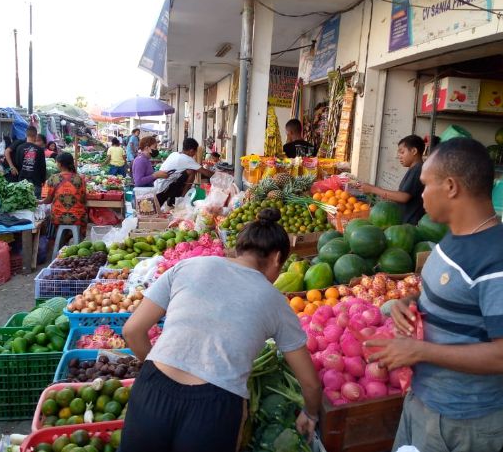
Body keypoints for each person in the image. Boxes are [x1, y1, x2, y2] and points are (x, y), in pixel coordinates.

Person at [365, 138, 503, 452]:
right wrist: (409, 302)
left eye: (426, 185)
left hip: (462, 422)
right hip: (423, 402)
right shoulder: (451, 240)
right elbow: (444, 297)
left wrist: (420, 352)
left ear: (451, 187)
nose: (421, 194)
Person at [120, 208, 321, 452]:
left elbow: (132, 331)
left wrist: (159, 368)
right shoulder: (275, 301)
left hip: (151, 389)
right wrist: (310, 414)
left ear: (239, 247)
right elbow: (309, 383)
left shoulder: (188, 266)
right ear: (278, 258)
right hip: (213, 406)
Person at [359, 135, 426, 224]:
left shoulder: (418, 169)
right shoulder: (414, 169)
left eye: (402, 152)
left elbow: (403, 197)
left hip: (410, 224)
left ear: (414, 151)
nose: (399, 156)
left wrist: (372, 189)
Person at [155, 137, 214, 207]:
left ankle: (176, 198)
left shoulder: (174, 154)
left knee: (190, 171)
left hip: (158, 185)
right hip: (163, 189)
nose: (195, 154)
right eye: (195, 152)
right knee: (192, 171)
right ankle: (182, 199)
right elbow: (206, 173)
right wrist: (221, 175)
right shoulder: (187, 159)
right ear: (191, 150)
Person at [40, 152, 88, 235]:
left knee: (51, 222)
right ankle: (75, 240)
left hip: (58, 217)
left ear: (60, 164)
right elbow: (84, 199)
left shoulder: (53, 178)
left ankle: (54, 241)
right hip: (78, 217)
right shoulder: (80, 179)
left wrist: (40, 201)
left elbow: (48, 200)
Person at [15, 126, 47, 198]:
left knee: (23, 203)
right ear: (36, 135)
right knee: (35, 204)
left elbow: (17, 163)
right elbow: (43, 166)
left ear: (26, 135)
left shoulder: (19, 148)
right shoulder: (40, 149)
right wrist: (43, 180)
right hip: (36, 181)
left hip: (22, 181)